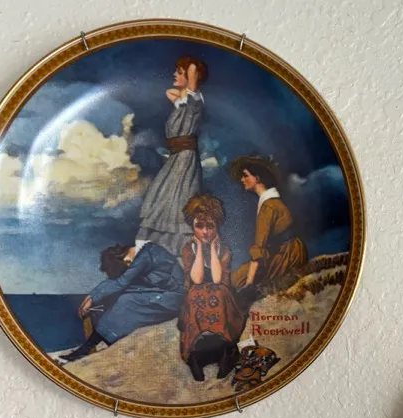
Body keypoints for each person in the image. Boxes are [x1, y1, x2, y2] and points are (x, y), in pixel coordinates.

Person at [67, 239, 185, 361]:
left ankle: (91, 347)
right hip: (161, 291)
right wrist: (91, 296)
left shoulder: (146, 255)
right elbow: (117, 280)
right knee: (120, 297)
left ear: (127, 261)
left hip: (173, 298)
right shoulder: (142, 252)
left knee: (126, 301)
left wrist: (92, 299)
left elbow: (121, 281)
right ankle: (89, 347)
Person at [136, 56, 208, 254]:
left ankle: (178, 250)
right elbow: (170, 93)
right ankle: (151, 247)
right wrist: (183, 89)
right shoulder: (182, 103)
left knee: (178, 198)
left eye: (179, 72)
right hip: (176, 157)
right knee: (162, 197)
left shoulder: (194, 102)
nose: (174, 74)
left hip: (185, 159)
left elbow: (192, 75)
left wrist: (191, 71)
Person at [179, 194, 245, 381]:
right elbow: (197, 279)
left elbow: (218, 280)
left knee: (218, 293)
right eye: (199, 226)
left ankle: (224, 350)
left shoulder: (223, 250)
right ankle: (196, 354)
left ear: (217, 227)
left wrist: (213, 250)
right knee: (195, 293)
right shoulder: (188, 249)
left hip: (221, 294)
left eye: (210, 226)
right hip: (197, 294)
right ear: (192, 227)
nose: (205, 232)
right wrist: (200, 248)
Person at [227, 155, 308, 303]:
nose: (242, 179)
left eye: (245, 175)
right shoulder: (272, 201)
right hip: (293, 250)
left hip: (286, 255)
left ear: (257, 178)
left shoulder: (268, 207)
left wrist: (249, 284)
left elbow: (259, 249)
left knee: (234, 280)